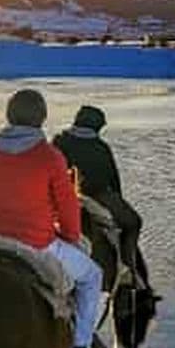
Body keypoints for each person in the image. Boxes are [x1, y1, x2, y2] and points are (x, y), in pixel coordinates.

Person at [0, 89, 103, 348]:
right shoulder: (50, 156)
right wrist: (69, 237)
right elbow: (67, 207)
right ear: (41, 118)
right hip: (38, 243)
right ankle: (79, 347)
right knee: (92, 277)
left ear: (9, 115)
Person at [52, 105, 143, 286]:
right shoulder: (100, 147)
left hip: (62, 198)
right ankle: (128, 268)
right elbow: (113, 181)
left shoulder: (59, 141)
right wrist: (118, 201)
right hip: (98, 196)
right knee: (133, 223)